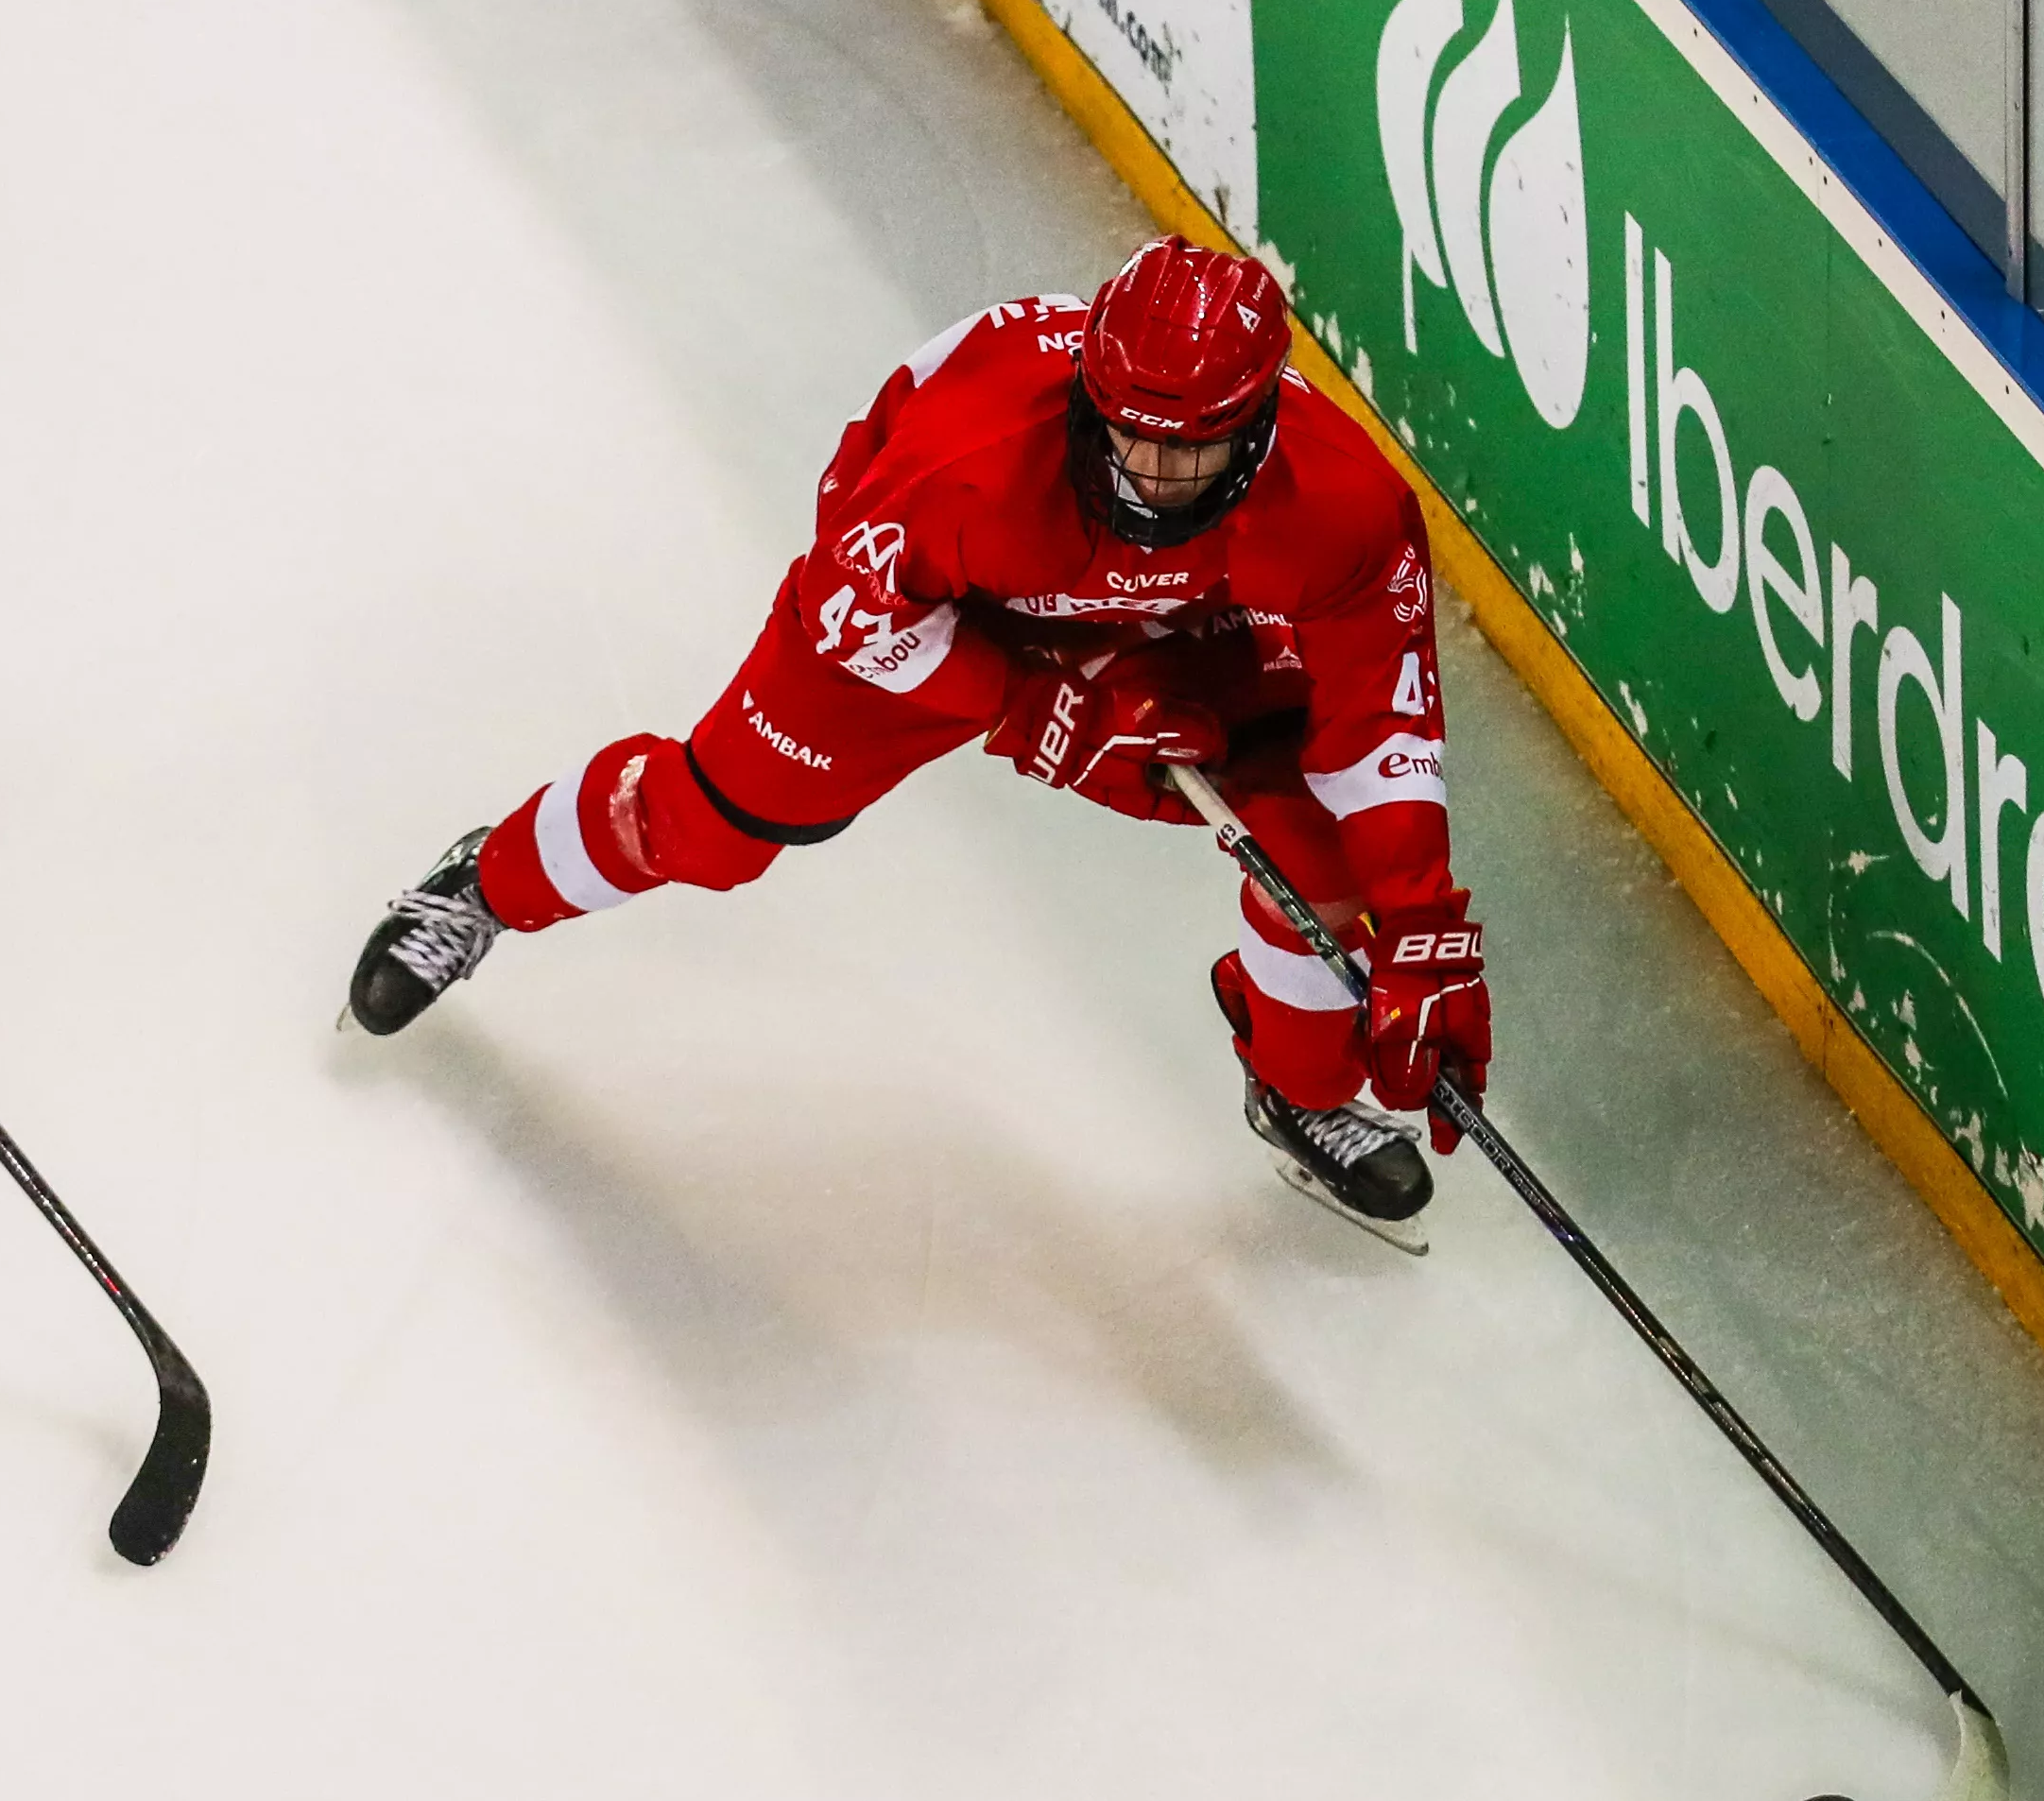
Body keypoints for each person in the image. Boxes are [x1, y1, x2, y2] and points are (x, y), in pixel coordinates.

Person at [341, 238, 1491, 1238]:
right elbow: (858, 605)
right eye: (1128, 439)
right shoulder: (968, 458)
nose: (1149, 474)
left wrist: (1426, 922)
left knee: (1321, 850)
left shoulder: (1342, 503)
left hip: (1172, 616)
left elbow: (1377, 716)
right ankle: (487, 882)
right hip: (933, 607)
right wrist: (1028, 703)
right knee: (713, 821)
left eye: (1187, 454)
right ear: (1088, 393)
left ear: (1259, 422)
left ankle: (1298, 1084)